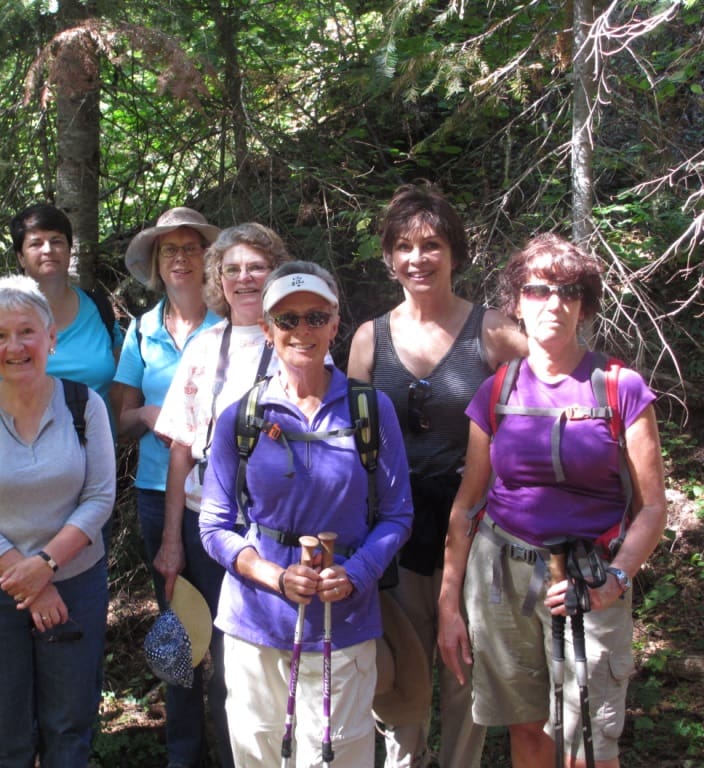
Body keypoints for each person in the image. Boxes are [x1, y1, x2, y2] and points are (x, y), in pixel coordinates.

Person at [437, 234, 667, 768]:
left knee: (588, 745)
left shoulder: (620, 387)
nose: (553, 303)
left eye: (568, 291)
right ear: (517, 303)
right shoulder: (498, 390)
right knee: (527, 731)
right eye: (538, 290)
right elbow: (467, 505)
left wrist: (616, 579)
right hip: (501, 577)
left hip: (589, 578)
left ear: (584, 306)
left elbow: (653, 507)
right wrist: (449, 604)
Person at [199, 261, 414, 766]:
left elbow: (398, 514)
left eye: (316, 317)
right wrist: (272, 575)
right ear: (267, 328)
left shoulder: (370, 410)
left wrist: (356, 574)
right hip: (255, 623)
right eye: (287, 318)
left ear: (335, 324)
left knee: (333, 757)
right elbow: (213, 524)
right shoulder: (242, 417)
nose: (302, 330)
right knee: (259, 753)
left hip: (344, 621)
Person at [347, 182, 526, 768]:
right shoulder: (369, 339)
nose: (417, 259)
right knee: (402, 673)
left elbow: (544, 403)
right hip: (394, 531)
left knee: (464, 667)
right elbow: (349, 442)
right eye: (404, 246)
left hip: (476, 528)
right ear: (388, 257)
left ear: (454, 253)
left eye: (431, 245)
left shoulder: (493, 331)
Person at [0, 275, 116, 767]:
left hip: (76, 584)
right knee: (5, 734)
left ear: (51, 338)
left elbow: (99, 497)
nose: (14, 347)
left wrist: (45, 566)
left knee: (70, 726)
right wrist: (31, 583)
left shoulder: (85, 405)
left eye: (26, 332)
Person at [152, 222, 292, 767]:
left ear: (275, 272)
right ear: (218, 279)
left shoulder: (299, 340)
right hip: (202, 522)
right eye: (232, 269)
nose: (244, 278)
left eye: (256, 267)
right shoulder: (204, 347)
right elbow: (180, 448)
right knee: (192, 651)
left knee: (259, 661)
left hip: (272, 531)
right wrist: (171, 540)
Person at [111, 207, 222, 768]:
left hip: (223, 498)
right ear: (156, 263)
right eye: (169, 250)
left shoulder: (231, 325)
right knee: (180, 630)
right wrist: (151, 414)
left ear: (208, 259)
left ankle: (235, 751)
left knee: (227, 633)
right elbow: (119, 421)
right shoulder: (141, 331)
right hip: (158, 495)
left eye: (190, 247)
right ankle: (184, 755)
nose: (180, 258)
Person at [0, 202, 123, 412]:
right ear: (21, 257)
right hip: (7, 432)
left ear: (69, 251)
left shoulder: (99, 309)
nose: (48, 250)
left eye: (56, 241)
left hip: (93, 432)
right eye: (36, 244)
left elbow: (123, 391)